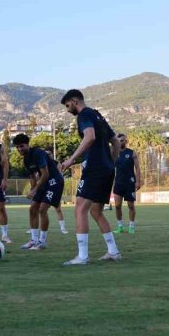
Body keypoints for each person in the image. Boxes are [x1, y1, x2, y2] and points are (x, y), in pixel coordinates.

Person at [58, 89, 121, 265]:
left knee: (80, 209)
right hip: (106, 168)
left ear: (74, 101)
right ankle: (113, 251)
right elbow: (115, 141)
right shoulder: (97, 115)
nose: (67, 109)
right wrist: (111, 163)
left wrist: (71, 159)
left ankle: (83, 256)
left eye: (67, 105)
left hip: (94, 168)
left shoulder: (84, 115)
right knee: (95, 211)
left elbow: (90, 137)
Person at [13, 134, 64, 250]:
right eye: (17, 147)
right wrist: (33, 190)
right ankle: (33, 240)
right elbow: (32, 177)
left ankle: (42, 241)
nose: (19, 149)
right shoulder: (26, 159)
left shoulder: (38, 153)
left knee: (42, 209)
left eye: (22, 146)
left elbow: (45, 174)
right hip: (44, 183)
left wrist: (35, 189)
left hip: (54, 182)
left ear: (27, 145)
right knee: (32, 209)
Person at [112, 133, 142, 234]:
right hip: (118, 183)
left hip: (130, 182)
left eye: (123, 140)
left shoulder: (132, 153)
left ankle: (131, 227)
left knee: (131, 206)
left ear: (126, 141)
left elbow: (137, 168)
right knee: (117, 205)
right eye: (119, 141)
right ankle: (120, 226)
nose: (121, 142)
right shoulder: (114, 154)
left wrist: (138, 181)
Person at [45, 149, 70, 234]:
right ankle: (35, 228)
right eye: (46, 154)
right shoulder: (42, 164)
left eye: (49, 154)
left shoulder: (56, 164)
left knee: (58, 208)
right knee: (40, 209)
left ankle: (62, 228)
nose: (48, 156)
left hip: (55, 188)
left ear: (52, 155)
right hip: (46, 188)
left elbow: (60, 175)